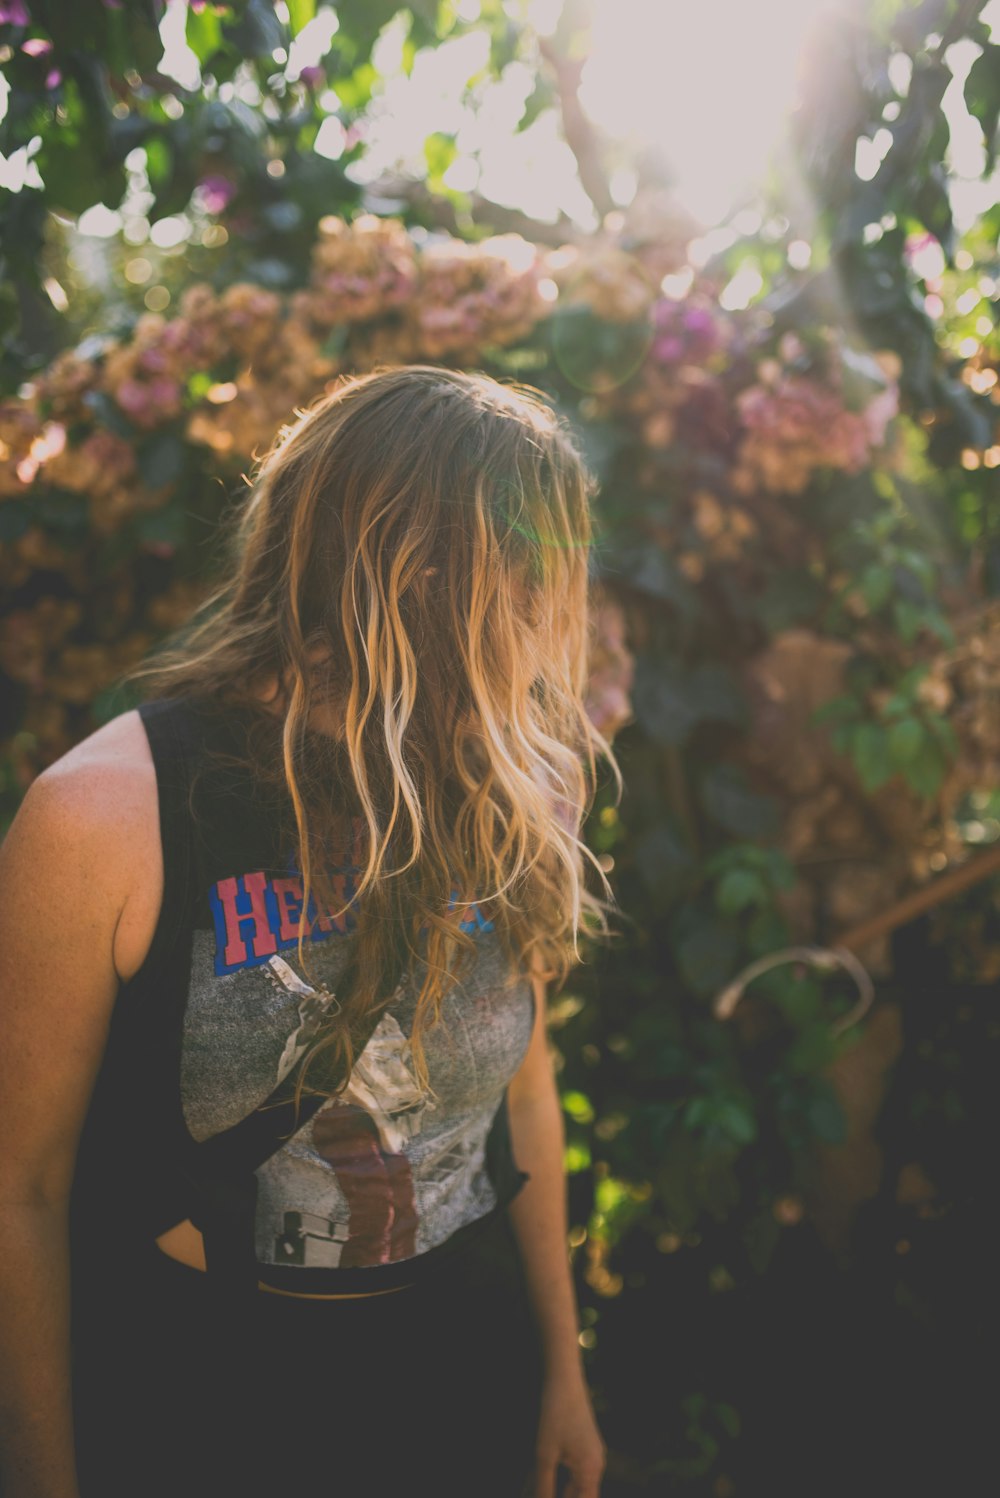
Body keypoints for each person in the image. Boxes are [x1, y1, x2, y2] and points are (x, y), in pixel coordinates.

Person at [0, 363, 622, 1498]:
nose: (555, 602)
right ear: (420, 573)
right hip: (201, 1406)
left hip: (460, 1375)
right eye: (529, 564)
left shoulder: (526, 781)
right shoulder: (104, 813)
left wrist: (557, 1371)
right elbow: (19, 1188)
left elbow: (522, 1094)